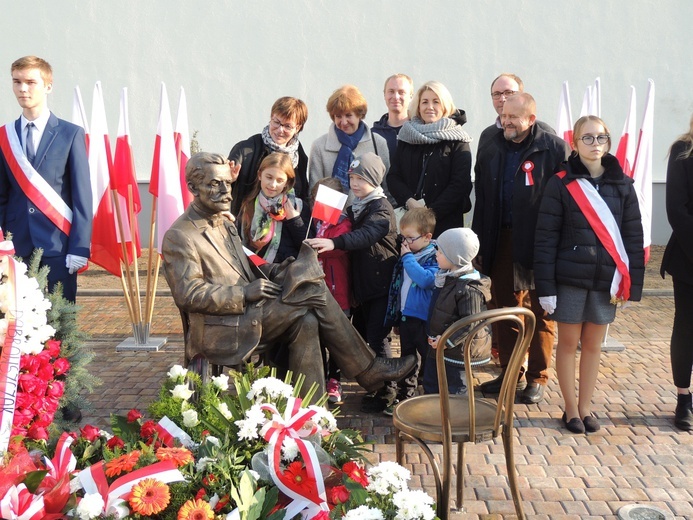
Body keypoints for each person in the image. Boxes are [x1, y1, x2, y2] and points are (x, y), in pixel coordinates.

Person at [161, 152, 415, 397]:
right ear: (193, 188)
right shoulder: (180, 235)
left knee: (308, 318)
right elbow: (188, 294)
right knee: (312, 290)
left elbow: (247, 264)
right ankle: (367, 369)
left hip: (252, 309)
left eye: (228, 183)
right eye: (215, 184)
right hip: (223, 323)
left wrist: (285, 269)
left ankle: (310, 416)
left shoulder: (224, 222)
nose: (226, 191)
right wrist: (243, 292)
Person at [535, 116, 644, 433]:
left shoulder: (623, 184)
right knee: (568, 343)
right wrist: (546, 287)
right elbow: (546, 238)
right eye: (588, 138)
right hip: (568, 279)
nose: (595, 144)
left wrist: (631, 284)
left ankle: (586, 408)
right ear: (574, 143)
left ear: (608, 142)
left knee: (594, 346)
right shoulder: (560, 183)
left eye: (601, 137)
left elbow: (632, 236)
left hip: (605, 280)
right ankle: (570, 410)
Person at [472, 93, 571, 404]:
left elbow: (566, 199)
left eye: (513, 116)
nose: (506, 121)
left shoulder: (553, 147)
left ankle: (537, 376)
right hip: (500, 237)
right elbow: (483, 196)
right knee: (504, 308)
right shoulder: (491, 143)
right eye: (503, 115)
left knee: (541, 309)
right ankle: (510, 373)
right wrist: (479, 241)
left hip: (540, 240)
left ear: (531, 118)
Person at [306, 152, 398, 413]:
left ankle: (389, 393)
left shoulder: (380, 208)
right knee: (367, 338)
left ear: (374, 180)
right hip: (364, 287)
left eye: (361, 179)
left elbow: (366, 236)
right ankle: (379, 388)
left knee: (378, 339)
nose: (355, 184)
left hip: (379, 285)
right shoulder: (359, 206)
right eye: (353, 178)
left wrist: (334, 242)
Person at [0, 56, 91, 303]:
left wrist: (79, 248)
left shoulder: (70, 134)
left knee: (61, 329)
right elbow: (2, 197)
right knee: (15, 329)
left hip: (57, 247)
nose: (22, 89)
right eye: (17, 82)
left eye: (30, 82)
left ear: (48, 86)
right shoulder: (4, 136)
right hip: (14, 248)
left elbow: (82, 198)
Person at [386, 80, 473, 237]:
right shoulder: (407, 136)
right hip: (409, 224)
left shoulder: (458, 141)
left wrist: (430, 214)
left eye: (436, 102)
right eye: (424, 102)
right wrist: (409, 201)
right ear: (418, 106)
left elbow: (460, 185)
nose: (430, 107)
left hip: (445, 226)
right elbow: (393, 177)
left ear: (445, 106)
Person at [424, 228, 492, 395]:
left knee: (456, 390)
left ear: (454, 257)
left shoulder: (469, 288)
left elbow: (470, 322)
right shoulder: (446, 276)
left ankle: (457, 420)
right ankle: (435, 417)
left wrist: (447, 341)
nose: (436, 255)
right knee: (432, 384)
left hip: (457, 352)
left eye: (440, 252)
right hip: (438, 346)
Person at [384, 207, 438, 412]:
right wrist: (398, 317)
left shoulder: (434, 256)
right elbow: (400, 288)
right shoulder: (409, 254)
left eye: (410, 238)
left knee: (428, 361)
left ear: (427, 237)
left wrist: (407, 258)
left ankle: (431, 398)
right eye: (402, 237)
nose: (405, 243)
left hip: (425, 320)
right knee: (407, 360)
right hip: (407, 317)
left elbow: (426, 280)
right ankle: (405, 396)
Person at [660, 113, 693, 431]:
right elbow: (676, 209)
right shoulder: (683, 151)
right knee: (686, 328)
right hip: (689, 257)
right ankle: (684, 398)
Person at [309, 176, 353, 404]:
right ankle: (318, 378)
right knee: (317, 337)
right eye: (318, 200)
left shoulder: (343, 223)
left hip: (338, 292)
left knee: (336, 340)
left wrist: (315, 245)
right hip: (317, 290)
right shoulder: (314, 223)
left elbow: (339, 248)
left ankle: (334, 380)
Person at [228, 97, 309, 217]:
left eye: (287, 126)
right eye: (276, 122)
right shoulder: (245, 150)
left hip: (284, 230)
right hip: (246, 225)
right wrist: (230, 180)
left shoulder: (299, 156)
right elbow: (222, 190)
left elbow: (302, 193)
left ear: (298, 127)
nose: (280, 130)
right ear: (271, 118)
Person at [308, 85, 390, 198]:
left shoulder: (378, 143)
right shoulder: (319, 146)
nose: (344, 122)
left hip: (370, 214)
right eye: (338, 116)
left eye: (348, 115)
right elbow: (313, 192)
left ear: (359, 115)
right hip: (331, 214)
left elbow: (387, 188)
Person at [237, 153, 308, 263]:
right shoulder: (249, 205)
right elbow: (239, 243)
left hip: (287, 274)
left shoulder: (299, 206)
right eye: (269, 177)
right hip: (256, 272)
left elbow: (308, 248)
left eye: (280, 180)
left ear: (287, 182)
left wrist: (295, 220)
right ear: (260, 175)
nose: (273, 184)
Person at [477, 73, 555, 151]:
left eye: (508, 92)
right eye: (496, 94)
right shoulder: (487, 136)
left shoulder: (545, 133)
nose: (502, 99)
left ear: (521, 95)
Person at [372, 74, 414, 161]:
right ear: (384, 95)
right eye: (391, 91)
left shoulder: (419, 131)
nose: (395, 97)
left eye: (401, 92)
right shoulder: (372, 135)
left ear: (411, 96)